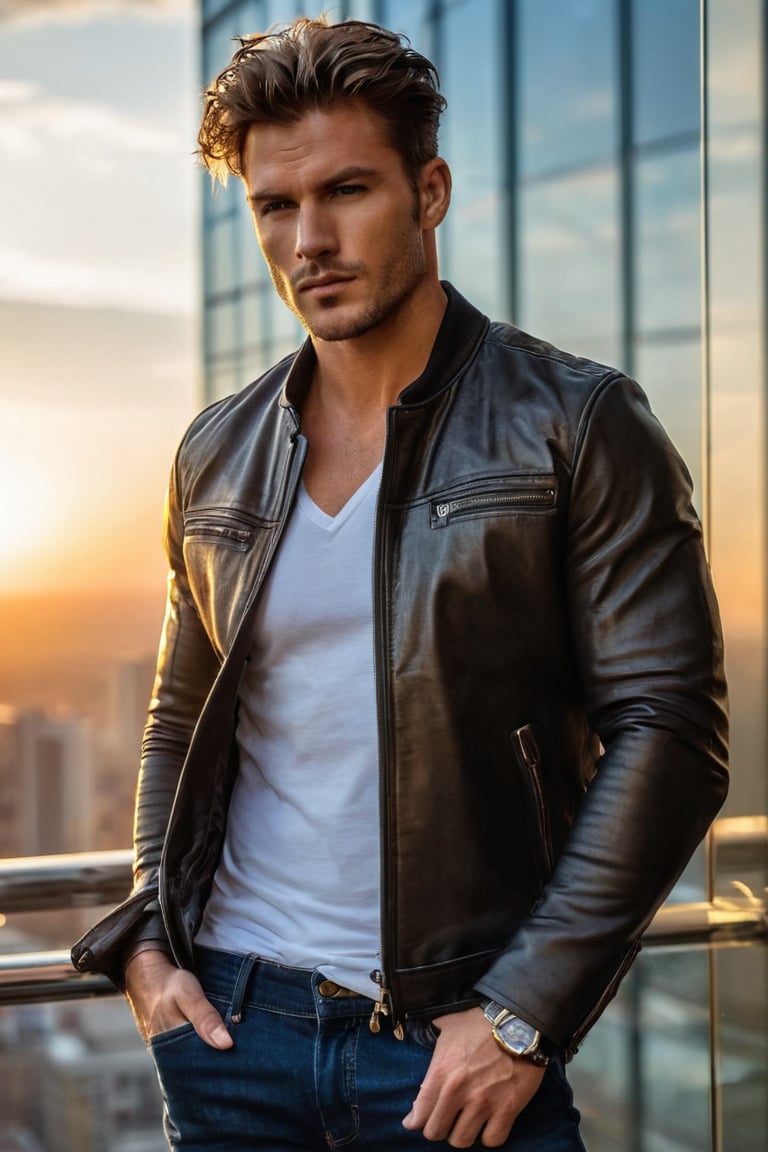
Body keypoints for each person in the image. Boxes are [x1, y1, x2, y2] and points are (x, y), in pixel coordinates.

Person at [72, 16, 729, 1151]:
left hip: (455, 1049)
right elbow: (179, 716)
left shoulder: (574, 422)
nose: (309, 240)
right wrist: (148, 945)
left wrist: (525, 1015)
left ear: (430, 191)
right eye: (275, 206)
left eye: (348, 192)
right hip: (229, 1035)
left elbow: (670, 729)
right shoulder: (216, 451)